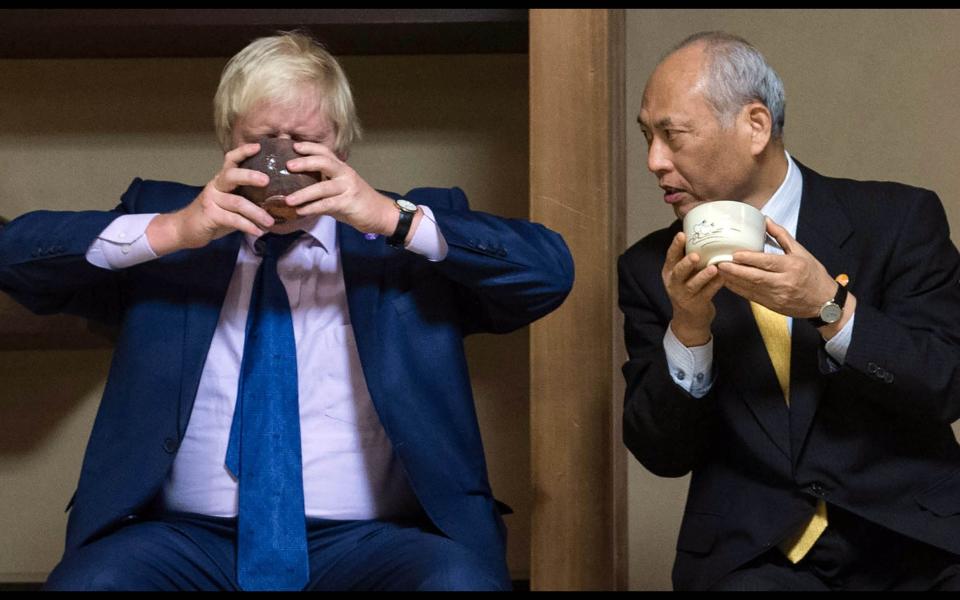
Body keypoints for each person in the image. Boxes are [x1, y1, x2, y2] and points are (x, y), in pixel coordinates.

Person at [0, 31, 573, 591]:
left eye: (304, 142)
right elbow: (16, 259)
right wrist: (175, 229)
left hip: (377, 540)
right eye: (262, 141)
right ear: (228, 141)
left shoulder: (401, 239)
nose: (282, 163)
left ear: (343, 146)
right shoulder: (169, 226)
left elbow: (549, 274)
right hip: (182, 540)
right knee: (93, 582)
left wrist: (390, 219)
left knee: (458, 583)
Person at [618, 31, 960, 591]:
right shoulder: (651, 268)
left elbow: (947, 383)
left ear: (755, 125)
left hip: (916, 542)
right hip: (754, 560)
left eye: (672, 135)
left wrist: (830, 308)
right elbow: (661, 453)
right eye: (647, 137)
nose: (655, 161)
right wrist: (689, 331)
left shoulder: (898, 219)